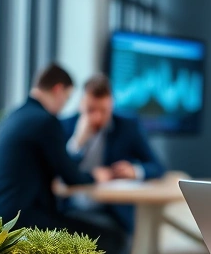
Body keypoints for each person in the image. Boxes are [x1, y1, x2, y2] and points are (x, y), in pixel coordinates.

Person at [0, 64, 127, 254]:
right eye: (67, 99)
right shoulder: (46, 122)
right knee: (112, 239)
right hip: (27, 222)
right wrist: (97, 176)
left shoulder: (12, 117)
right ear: (58, 89)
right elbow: (71, 176)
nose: (64, 106)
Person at [61, 74, 166, 236]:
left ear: (112, 105)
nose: (97, 117)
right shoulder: (65, 125)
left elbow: (158, 166)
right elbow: (59, 173)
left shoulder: (127, 126)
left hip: (111, 215)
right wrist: (77, 142)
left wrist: (135, 171)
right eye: (90, 110)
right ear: (81, 104)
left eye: (103, 111)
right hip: (69, 212)